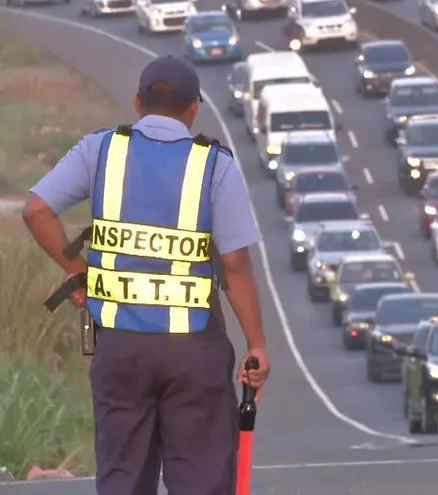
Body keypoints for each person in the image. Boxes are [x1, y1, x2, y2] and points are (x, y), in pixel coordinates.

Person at [22, 55, 271, 495]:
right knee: (201, 479)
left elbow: (37, 210)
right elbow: (234, 264)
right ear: (195, 107)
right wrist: (256, 344)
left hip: (121, 348)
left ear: (137, 102)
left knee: (123, 480)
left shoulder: (101, 150)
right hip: (194, 353)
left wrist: (76, 271)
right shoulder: (214, 165)